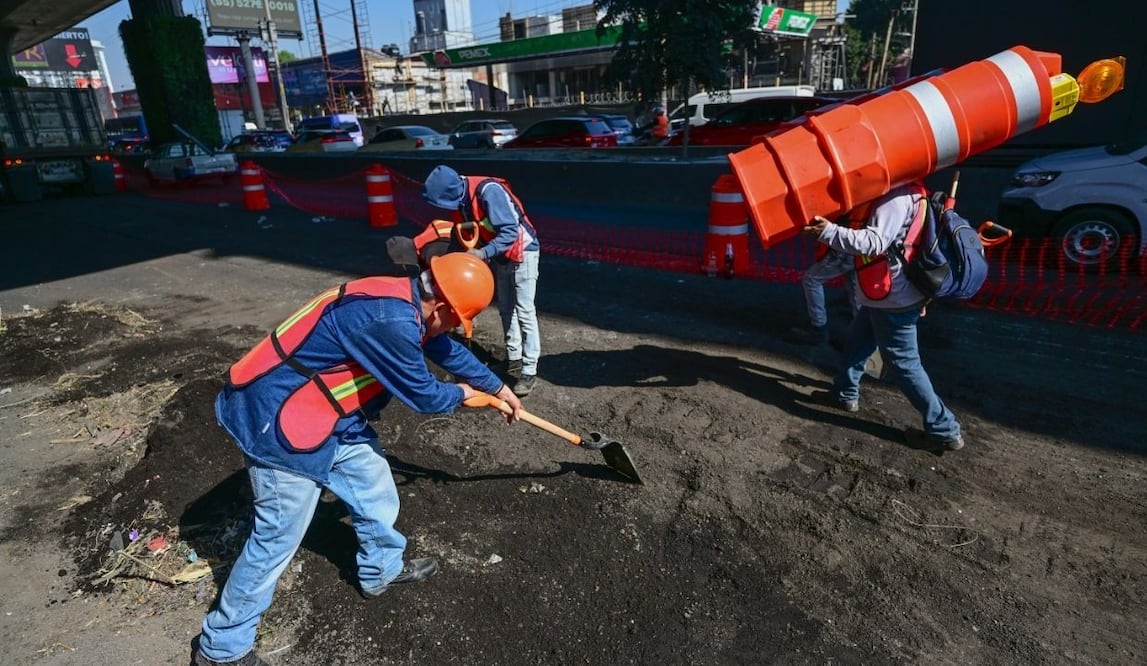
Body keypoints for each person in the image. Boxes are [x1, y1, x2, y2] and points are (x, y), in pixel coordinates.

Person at [194, 253, 523, 666]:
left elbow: (443, 348)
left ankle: (381, 569)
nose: (453, 329)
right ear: (440, 306)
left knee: (374, 485)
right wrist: (468, 395)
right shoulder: (389, 322)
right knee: (275, 540)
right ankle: (221, 649)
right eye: (456, 321)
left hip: (328, 416)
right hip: (280, 420)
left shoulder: (405, 299)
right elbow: (425, 396)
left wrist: (497, 387)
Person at [803, 182, 964, 452]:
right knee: (858, 338)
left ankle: (944, 429)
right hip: (888, 292)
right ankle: (844, 393)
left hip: (893, 296)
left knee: (904, 364)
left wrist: (828, 231)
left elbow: (874, 242)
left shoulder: (893, 197)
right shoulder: (915, 190)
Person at [422, 165, 542, 397]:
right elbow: (461, 233)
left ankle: (529, 370)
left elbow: (510, 232)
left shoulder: (489, 192)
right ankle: (513, 359)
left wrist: (482, 253)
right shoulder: (462, 200)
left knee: (524, 311)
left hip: (522, 251)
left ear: (452, 193)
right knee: (506, 309)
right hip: (501, 254)